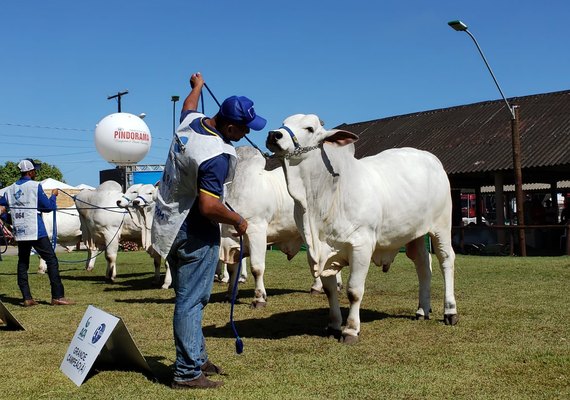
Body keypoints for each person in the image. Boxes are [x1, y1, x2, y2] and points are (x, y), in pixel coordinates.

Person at [151, 72, 265, 389]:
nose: (245, 133)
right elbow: (208, 206)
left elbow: (188, 106)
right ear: (229, 127)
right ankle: (187, 373)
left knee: (190, 298)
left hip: (166, 223)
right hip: (193, 230)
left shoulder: (190, 123)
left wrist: (197, 88)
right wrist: (238, 220)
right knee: (191, 302)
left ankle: (197, 358)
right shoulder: (215, 155)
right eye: (243, 128)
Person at [0, 159, 74, 307]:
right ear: (30, 172)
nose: (36, 173)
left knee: (23, 263)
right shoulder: (35, 186)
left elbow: (1, 211)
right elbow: (47, 208)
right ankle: (57, 297)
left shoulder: (9, 190)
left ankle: (27, 298)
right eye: (35, 170)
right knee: (51, 260)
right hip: (36, 230)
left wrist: (13, 220)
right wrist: (53, 196)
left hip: (21, 232)